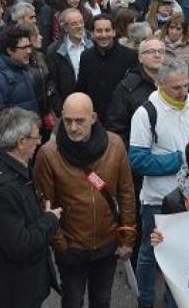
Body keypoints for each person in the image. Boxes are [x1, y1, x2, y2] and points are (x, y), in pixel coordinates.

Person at [33, 93, 136, 308]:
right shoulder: (49, 154)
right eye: (67, 120)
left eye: (79, 120)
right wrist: (62, 246)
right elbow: (45, 204)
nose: (72, 127)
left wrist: (127, 238)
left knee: (101, 300)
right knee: (72, 301)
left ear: (93, 118)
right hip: (72, 247)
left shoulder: (114, 146)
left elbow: (126, 193)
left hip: (106, 243)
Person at [129, 56, 189, 308]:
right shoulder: (146, 113)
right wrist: (182, 160)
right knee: (149, 253)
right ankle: (145, 299)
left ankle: (173, 301)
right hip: (158, 200)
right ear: (160, 83)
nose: (183, 92)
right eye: (176, 87)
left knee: (184, 256)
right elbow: (138, 161)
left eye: (186, 85)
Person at [0, 107, 61, 308]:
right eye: (36, 138)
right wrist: (49, 219)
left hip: (13, 286)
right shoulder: (0, 189)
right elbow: (19, 244)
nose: (40, 142)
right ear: (21, 142)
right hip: (13, 293)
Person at [75, 15, 137, 120]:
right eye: (99, 31)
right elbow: (82, 87)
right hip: (94, 118)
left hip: (121, 119)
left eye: (107, 30)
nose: (103, 35)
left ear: (114, 32)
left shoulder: (129, 56)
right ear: (93, 34)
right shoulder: (86, 56)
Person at [106, 36, 165, 142]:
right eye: (151, 51)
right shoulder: (127, 87)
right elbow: (117, 127)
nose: (157, 55)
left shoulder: (171, 83)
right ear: (140, 58)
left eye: (160, 51)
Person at [46, 9, 93, 117]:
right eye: (74, 24)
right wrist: (60, 109)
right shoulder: (54, 51)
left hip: (92, 103)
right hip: (68, 106)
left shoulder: (93, 44)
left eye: (81, 22)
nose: (79, 26)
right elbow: (52, 82)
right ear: (65, 27)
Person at [0, 25, 39, 112]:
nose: (29, 51)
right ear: (9, 50)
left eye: (29, 46)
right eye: (24, 48)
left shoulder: (21, 69)